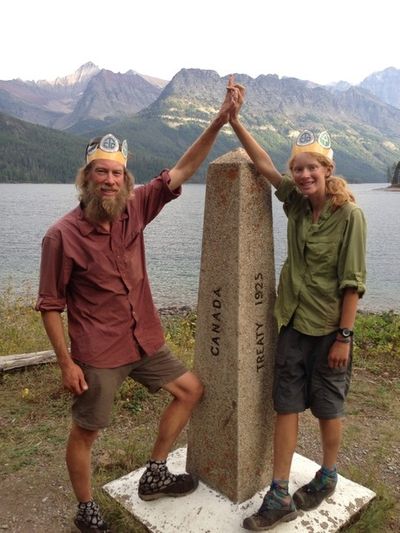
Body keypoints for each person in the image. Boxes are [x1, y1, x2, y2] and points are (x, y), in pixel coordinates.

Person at [36, 89, 236, 532]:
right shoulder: (61, 236)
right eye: (101, 173)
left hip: (145, 339)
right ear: (85, 178)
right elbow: (50, 306)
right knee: (87, 431)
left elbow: (183, 169)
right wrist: (66, 363)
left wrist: (220, 121)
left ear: (126, 181)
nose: (109, 180)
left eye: (117, 173)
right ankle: (86, 507)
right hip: (98, 352)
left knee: (190, 391)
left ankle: (155, 471)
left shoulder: (136, 208)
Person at [227, 78, 367, 531]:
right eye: (299, 169)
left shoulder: (350, 216)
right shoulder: (294, 203)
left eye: (313, 168)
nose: (304, 176)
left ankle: (327, 475)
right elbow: (265, 165)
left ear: (327, 169)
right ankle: (280, 493)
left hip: (330, 329)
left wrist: (344, 335)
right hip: (291, 325)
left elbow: (353, 282)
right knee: (285, 405)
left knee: (328, 406)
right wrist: (235, 122)